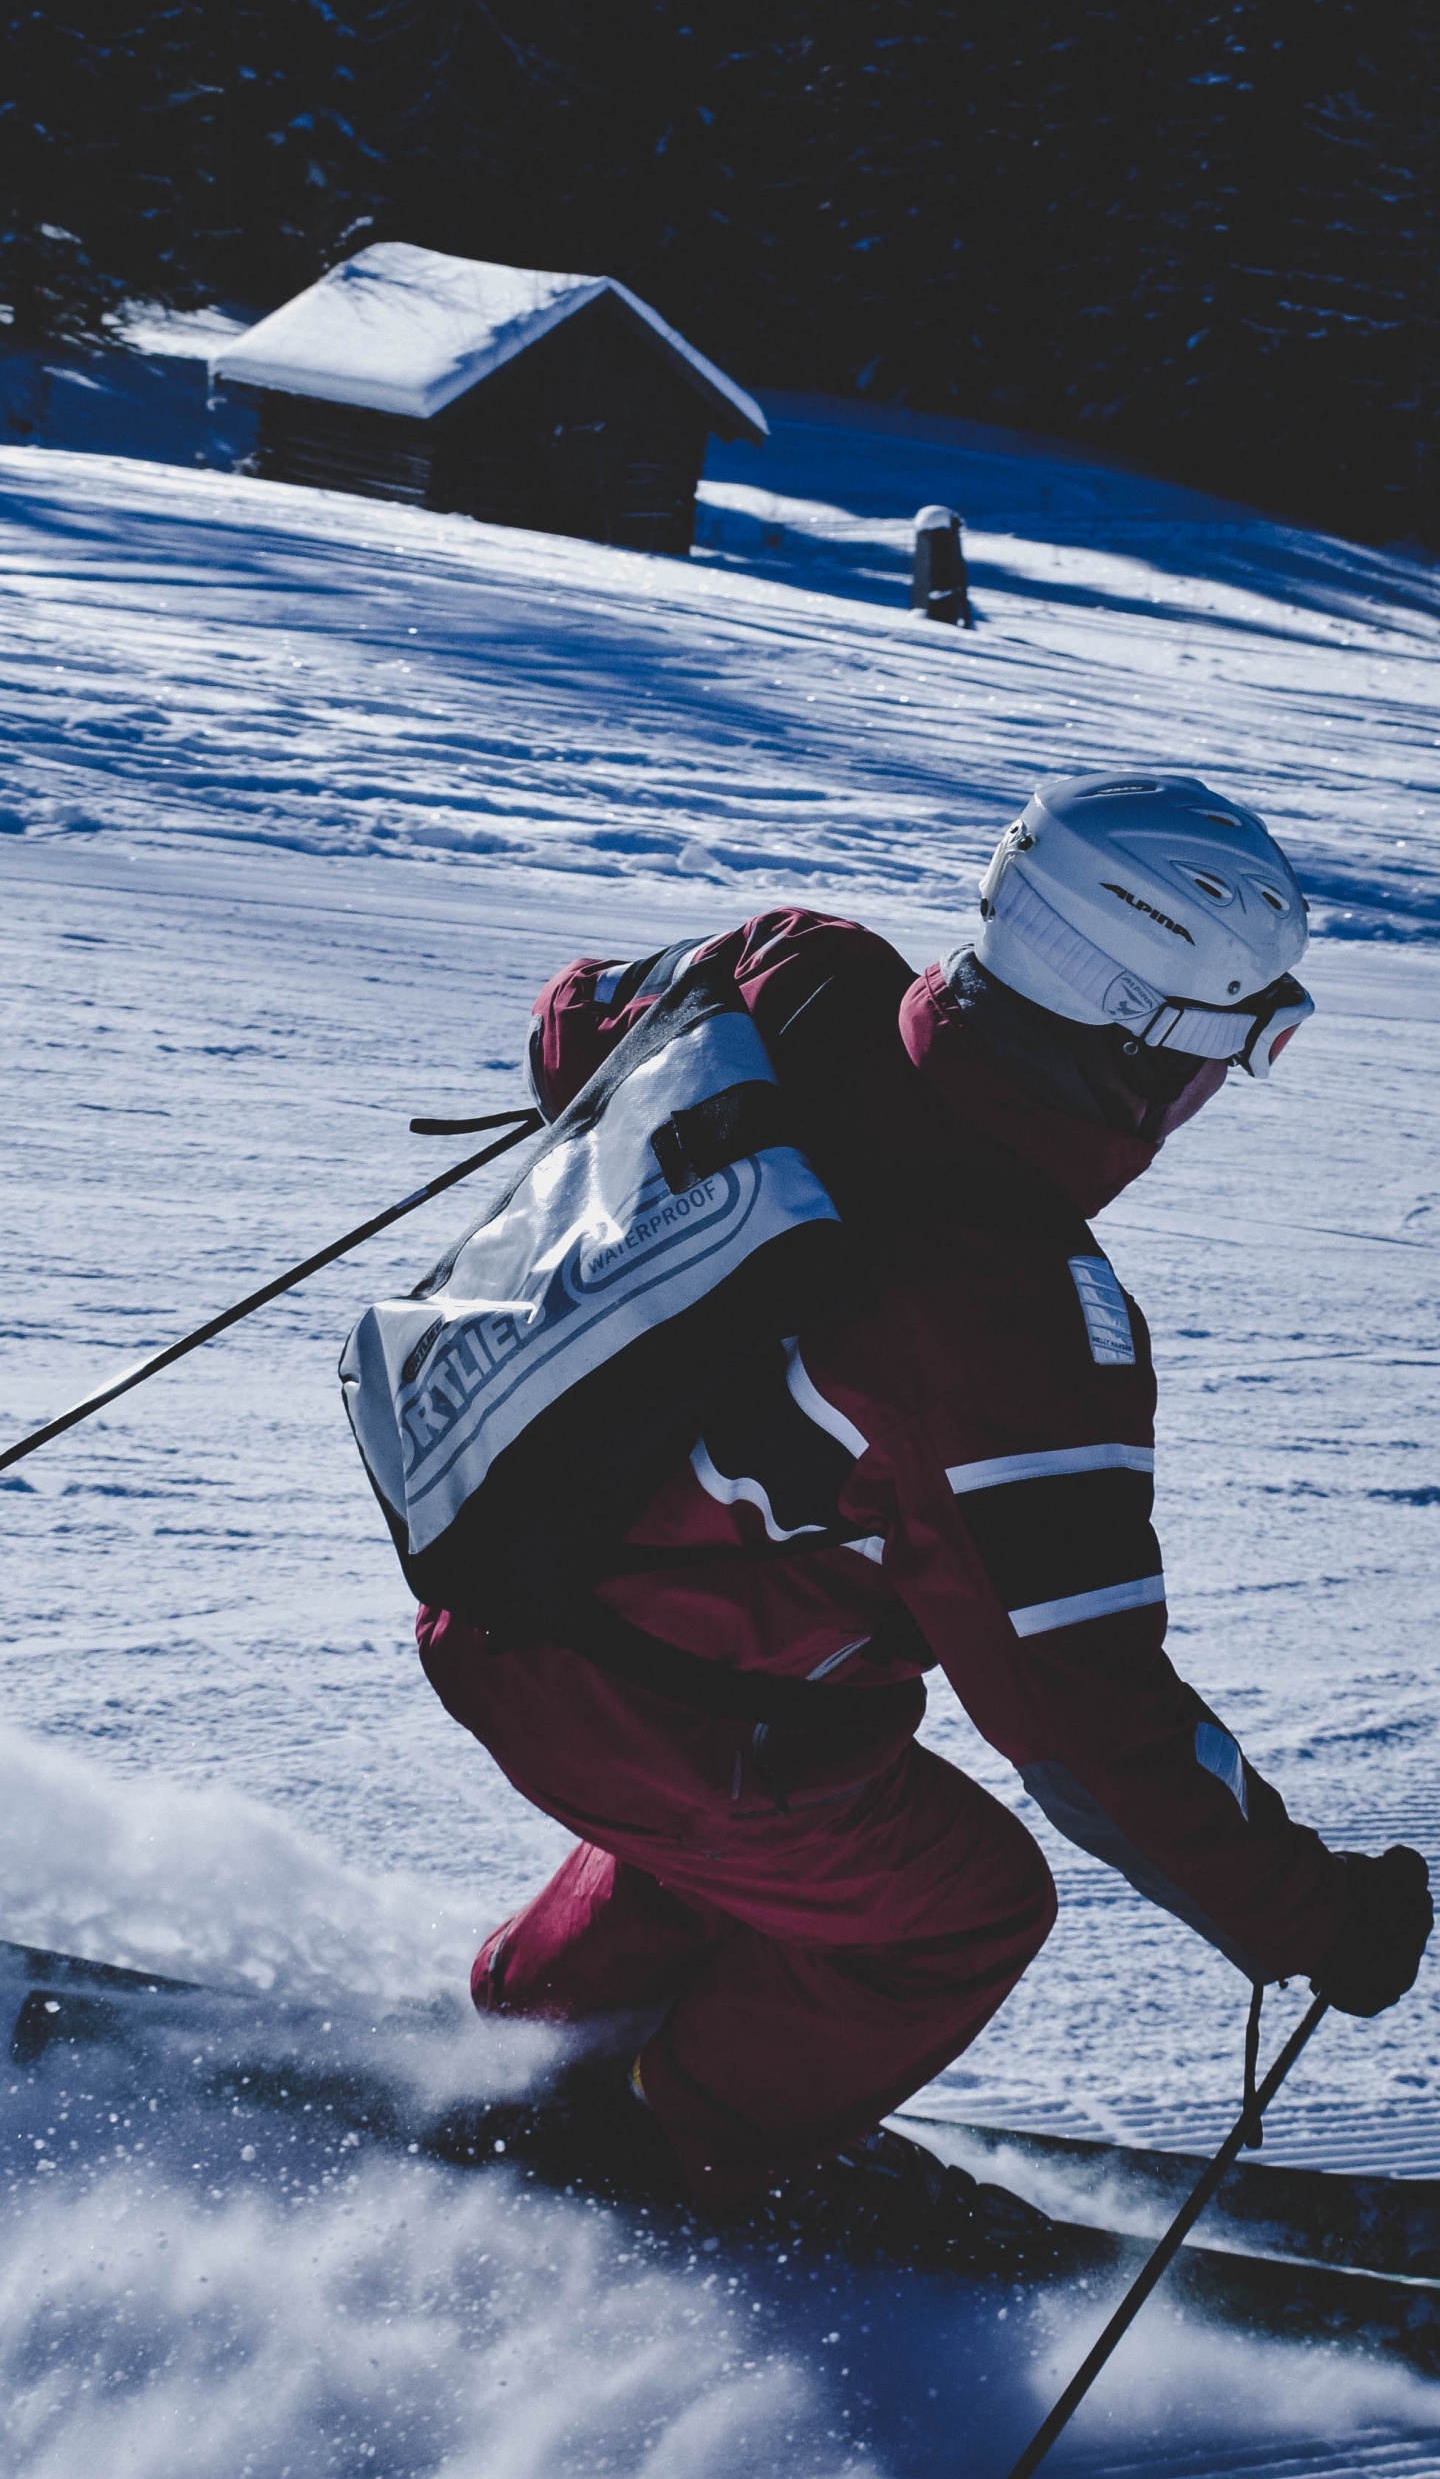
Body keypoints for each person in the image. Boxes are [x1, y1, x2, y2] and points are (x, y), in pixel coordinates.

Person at [417, 772, 1431, 2238]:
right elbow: (1088, 1723)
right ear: (1143, 1047)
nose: (1226, 1090)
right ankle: (658, 2166)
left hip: (497, 1577)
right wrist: (1312, 1918)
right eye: (1244, 1046)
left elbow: (569, 1020)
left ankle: (534, 2038)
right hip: (662, 1713)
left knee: (787, 1804)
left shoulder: (797, 966)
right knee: (957, 1908)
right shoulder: (1013, 1329)